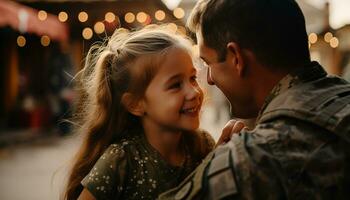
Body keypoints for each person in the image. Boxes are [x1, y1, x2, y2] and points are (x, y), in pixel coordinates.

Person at [158, 0, 350, 199]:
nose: (209, 80)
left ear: (236, 58)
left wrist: (215, 163)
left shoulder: (256, 158)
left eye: (208, 63)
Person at [64, 26, 217, 200]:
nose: (194, 92)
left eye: (193, 78)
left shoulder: (202, 146)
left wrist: (223, 157)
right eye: (175, 85)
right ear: (135, 104)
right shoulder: (121, 160)